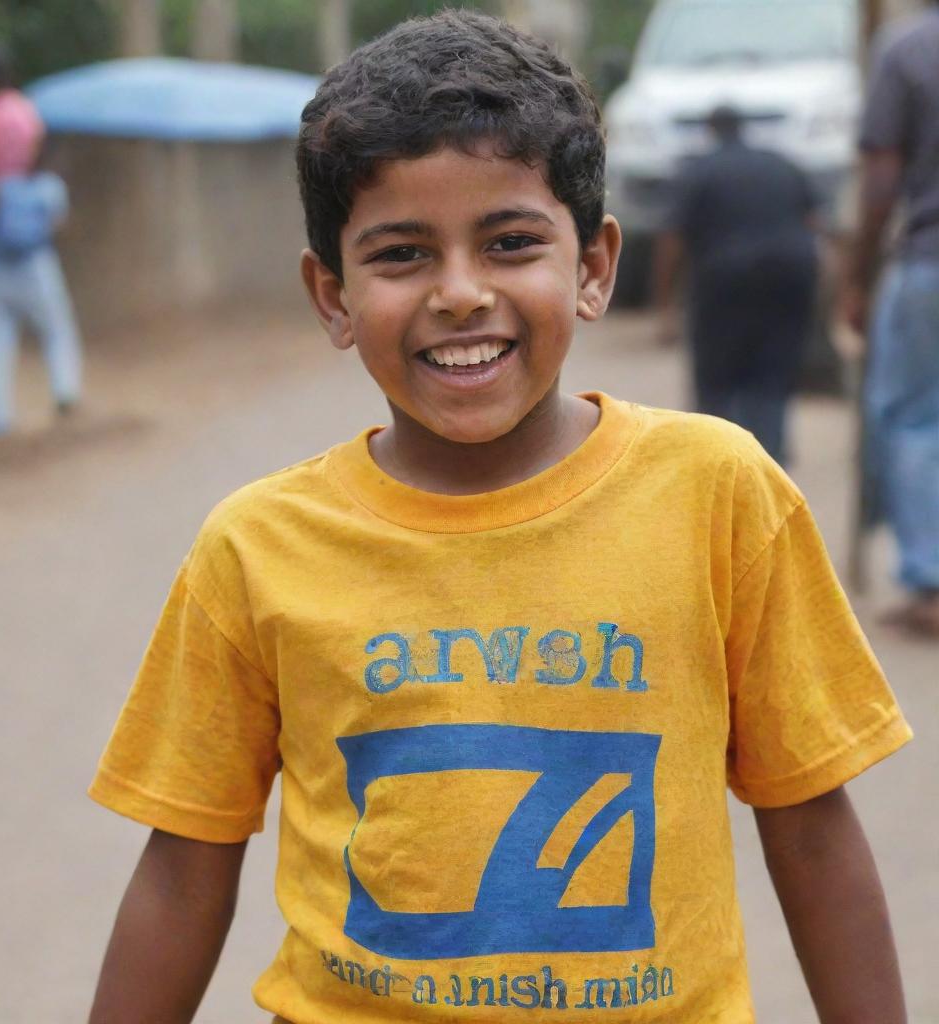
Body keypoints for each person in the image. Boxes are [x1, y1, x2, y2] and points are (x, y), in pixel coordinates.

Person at [88, 12, 910, 1023]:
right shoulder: (257, 547)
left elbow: (811, 825)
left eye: (511, 242)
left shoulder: (717, 492)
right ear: (332, 296)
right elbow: (182, 869)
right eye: (400, 254)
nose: (461, 294)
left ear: (594, 265)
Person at [839, 2, 939, 638]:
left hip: (928, 262)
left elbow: (881, 180)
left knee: (912, 418)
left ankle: (930, 580)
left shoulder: (909, 50)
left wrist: (858, 276)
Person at [654, 105, 820, 465]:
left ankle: (716, 459)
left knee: (717, 375)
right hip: (789, 276)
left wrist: (665, 304)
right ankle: (771, 459)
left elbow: (672, 238)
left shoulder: (699, 169)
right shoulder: (781, 163)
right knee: (774, 370)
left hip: (723, 280)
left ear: (711, 132)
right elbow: (814, 222)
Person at [0, 47, 83, 437]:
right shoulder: (25, 111)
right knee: (56, 328)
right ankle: (65, 392)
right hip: (34, 259)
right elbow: (56, 220)